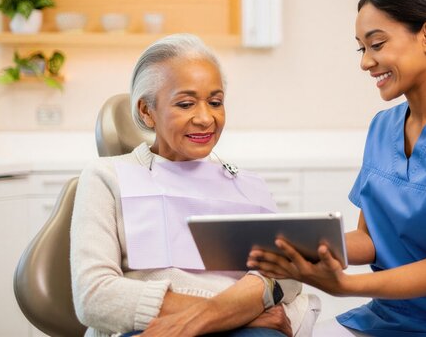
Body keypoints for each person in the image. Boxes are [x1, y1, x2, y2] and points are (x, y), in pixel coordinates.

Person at [247, 0, 426, 336]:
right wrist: (300, 250)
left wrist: (343, 285)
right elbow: (370, 239)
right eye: (360, 48)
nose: (365, 62)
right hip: (388, 319)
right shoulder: (384, 126)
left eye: (376, 44)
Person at [70, 33, 319, 337]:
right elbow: (95, 297)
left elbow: (288, 280)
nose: (205, 118)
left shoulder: (243, 184)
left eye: (215, 102)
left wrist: (234, 312)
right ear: (147, 111)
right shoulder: (106, 177)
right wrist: (237, 312)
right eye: (186, 104)